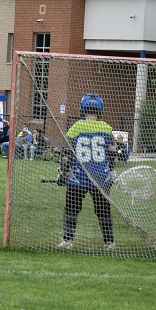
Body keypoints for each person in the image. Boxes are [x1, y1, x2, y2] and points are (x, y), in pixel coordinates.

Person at [57, 94, 116, 250]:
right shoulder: (106, 128)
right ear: (100, 109)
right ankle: (109, 242)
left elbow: (66, 153)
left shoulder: (76, 127)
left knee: (71, 209)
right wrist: (111, 170)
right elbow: (113, 151)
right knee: (103, 211)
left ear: (83, 109)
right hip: (101, 177)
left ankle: (67, 241)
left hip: (79, 177)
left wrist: (63, 173)